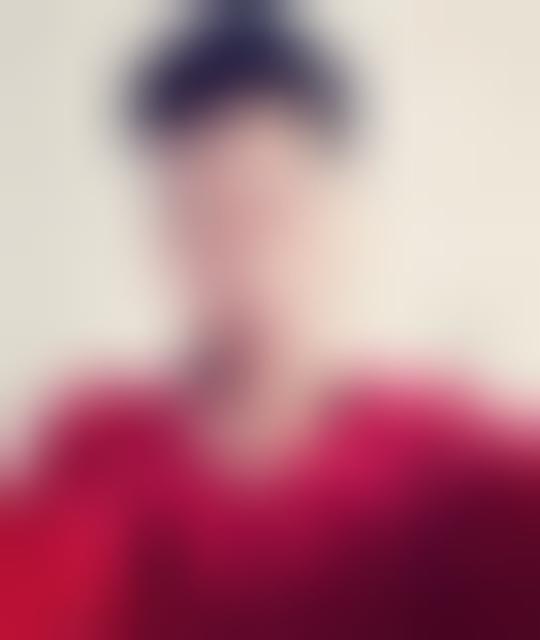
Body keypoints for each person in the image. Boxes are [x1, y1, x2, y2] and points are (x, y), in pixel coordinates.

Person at [2, 2, 539, 638]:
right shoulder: (96, 454)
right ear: (166, 238)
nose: (247, 261)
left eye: (271, 210)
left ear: (338, 223)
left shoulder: (446, 464)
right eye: (209, 217)